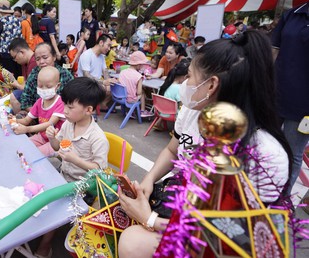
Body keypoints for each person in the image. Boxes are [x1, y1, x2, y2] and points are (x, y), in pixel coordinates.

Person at [118, 30, 291, 257]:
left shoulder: (265, 155)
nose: (185, 83)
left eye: (189, 76)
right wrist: (150, 179)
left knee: (132, 241)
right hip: (180, 207)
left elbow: (231, 234)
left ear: (211, 86)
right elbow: (173, 149)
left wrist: (148, 219)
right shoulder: (193, 111)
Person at [37, 77, 109, 257]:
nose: (64, 111)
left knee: (53, 206)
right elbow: (57, 148)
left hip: (83, 186)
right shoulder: (69, 124)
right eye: (65, 105)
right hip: (64, 176)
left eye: (70, 107)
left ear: (89, 110)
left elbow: (100, 171)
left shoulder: (97, 138)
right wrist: (53, 138)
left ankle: (45, 245)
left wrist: (74, 159)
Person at [271, 0, 309, 196]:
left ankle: (280, 202)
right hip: (274, 95)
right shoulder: (293, 14)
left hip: (304, 107)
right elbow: (272, 52)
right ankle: (255, 193)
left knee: (293, 153)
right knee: (263, 143)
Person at [13, 66, 65, 156]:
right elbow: (26, 120)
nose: (44, 89)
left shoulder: (60, 103)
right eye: (40, 86)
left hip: (56, 140)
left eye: (48, 86)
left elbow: (50, 123)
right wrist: (14, 120)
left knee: (34, 154)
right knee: (21, 147)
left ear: (58, 86)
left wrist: (27, 129)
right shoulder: (39, 102)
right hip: (42, 137)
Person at [17, 42, 74, 112]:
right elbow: (25, 100)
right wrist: (39, 115)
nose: (41, 62)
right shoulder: (34, 74)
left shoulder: (65, 75)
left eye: (45, 57)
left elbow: (73, 101)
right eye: (38, 59)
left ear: (54, 57)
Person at [0, 0, 23, 78]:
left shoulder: (0, 22)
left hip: (5, 53)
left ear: (0, 11)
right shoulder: (18, 21)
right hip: (18, 51)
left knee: (8, 76)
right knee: (18, 74)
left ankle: (10, 90)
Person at [119, 51, 151, 118]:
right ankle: (142, 111)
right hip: (130, 100)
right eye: (142, 64)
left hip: (120, 97)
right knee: (142, 92)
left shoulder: (123, 72)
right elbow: (138, 92)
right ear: (138, 64)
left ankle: (131, 112)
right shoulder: (138, 76)